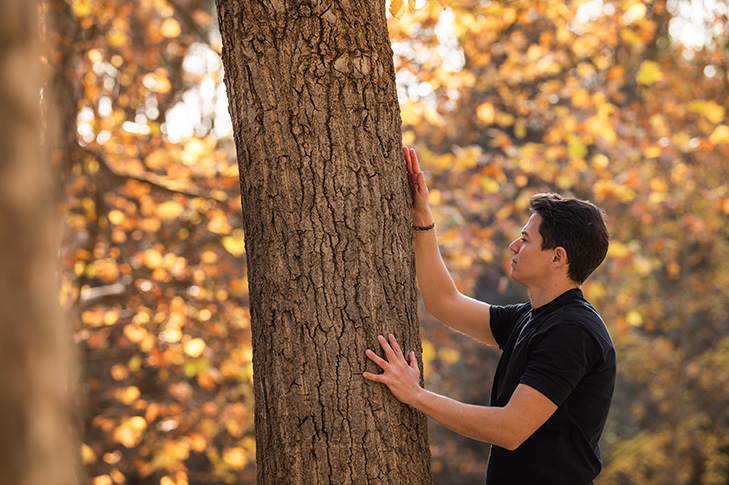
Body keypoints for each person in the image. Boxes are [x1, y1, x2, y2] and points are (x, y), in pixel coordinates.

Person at [363, 146, 616, 484]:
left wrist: (416, 395)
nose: (514, 245)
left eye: (525, 240)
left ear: (557, 258)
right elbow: (444, 302)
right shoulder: (533, 318)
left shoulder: (571, 331)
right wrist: (422, 218)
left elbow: (510, 428)